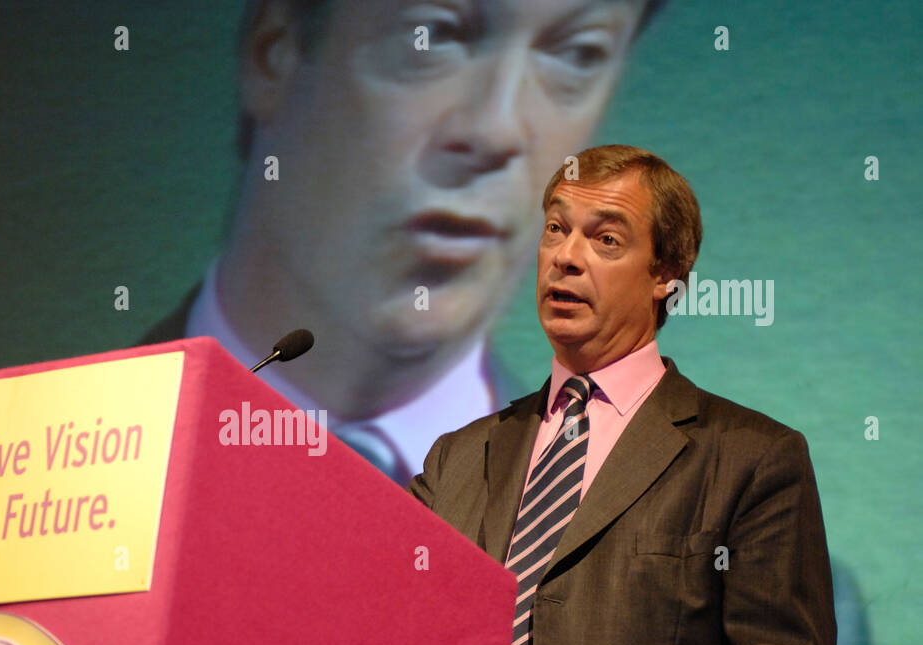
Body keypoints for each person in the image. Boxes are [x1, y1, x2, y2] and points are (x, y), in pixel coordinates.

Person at [408, 145, 837, 645]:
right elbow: (389, 632)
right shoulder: (459, 457)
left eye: (605, 238)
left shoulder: (748, 456)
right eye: (554, 229)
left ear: (667, 274)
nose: (566, 257)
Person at [141, 0, 666, 482]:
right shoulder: (77, 453)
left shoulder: (613, 526)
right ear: (274, 53)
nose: (496, 131)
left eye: (579, 53)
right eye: (432, 34)